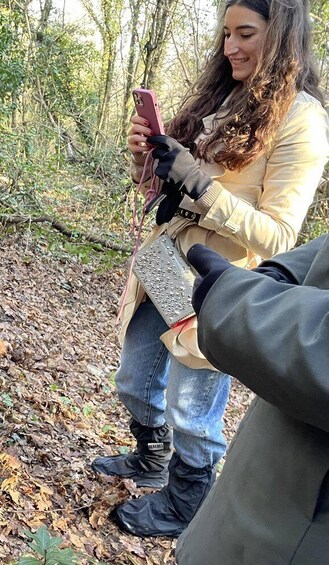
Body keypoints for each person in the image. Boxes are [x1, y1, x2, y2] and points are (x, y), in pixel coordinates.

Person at [91, 0, 329, 537]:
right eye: (225, 34)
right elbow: (157, 190)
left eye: (245, 34)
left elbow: (279, 236)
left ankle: (185, 503)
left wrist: (201, 182)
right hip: (163, 265)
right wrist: (145, 158)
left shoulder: (303, 119)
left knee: (192, 407)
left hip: (214, 283)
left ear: (282, 37)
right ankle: (149, 457)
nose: (230, 48)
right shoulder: (225, 96)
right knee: (134, 378)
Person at [174, 236, 329, 563]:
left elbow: (277, 230)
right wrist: (278, 273)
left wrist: (243, 300)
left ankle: (181, 497)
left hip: (298, 531)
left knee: (192, 416)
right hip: (270, 479)